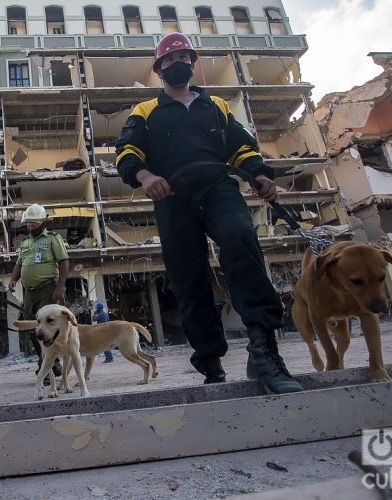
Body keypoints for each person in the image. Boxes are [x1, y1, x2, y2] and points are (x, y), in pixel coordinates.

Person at [115, 32, 302, 394]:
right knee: (189, 277)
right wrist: (145, 175)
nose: (175, 64)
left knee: (241, 239)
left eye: (181, 57)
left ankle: (264, 353)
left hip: (218, 186)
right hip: (172, 196)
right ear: (158, 70)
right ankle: (210, 361)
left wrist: (261, 175)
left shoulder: (215, 105)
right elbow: (126, 151)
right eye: (167, 61)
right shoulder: (145, 111)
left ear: (193, 62)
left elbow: (242, 147)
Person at [9, 203, 68, 384]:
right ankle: (50, 363)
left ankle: (48, 365)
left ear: (43, 221)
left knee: (49, 329)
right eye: (29, 222)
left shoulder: (52, 238)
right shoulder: (25, 242)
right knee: (32, 329)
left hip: (47, 289)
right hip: (29, 293)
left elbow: (64, 261)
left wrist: (60, 287)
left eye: (34, 222)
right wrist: (13, 279)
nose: (31, 225)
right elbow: (19, 264)